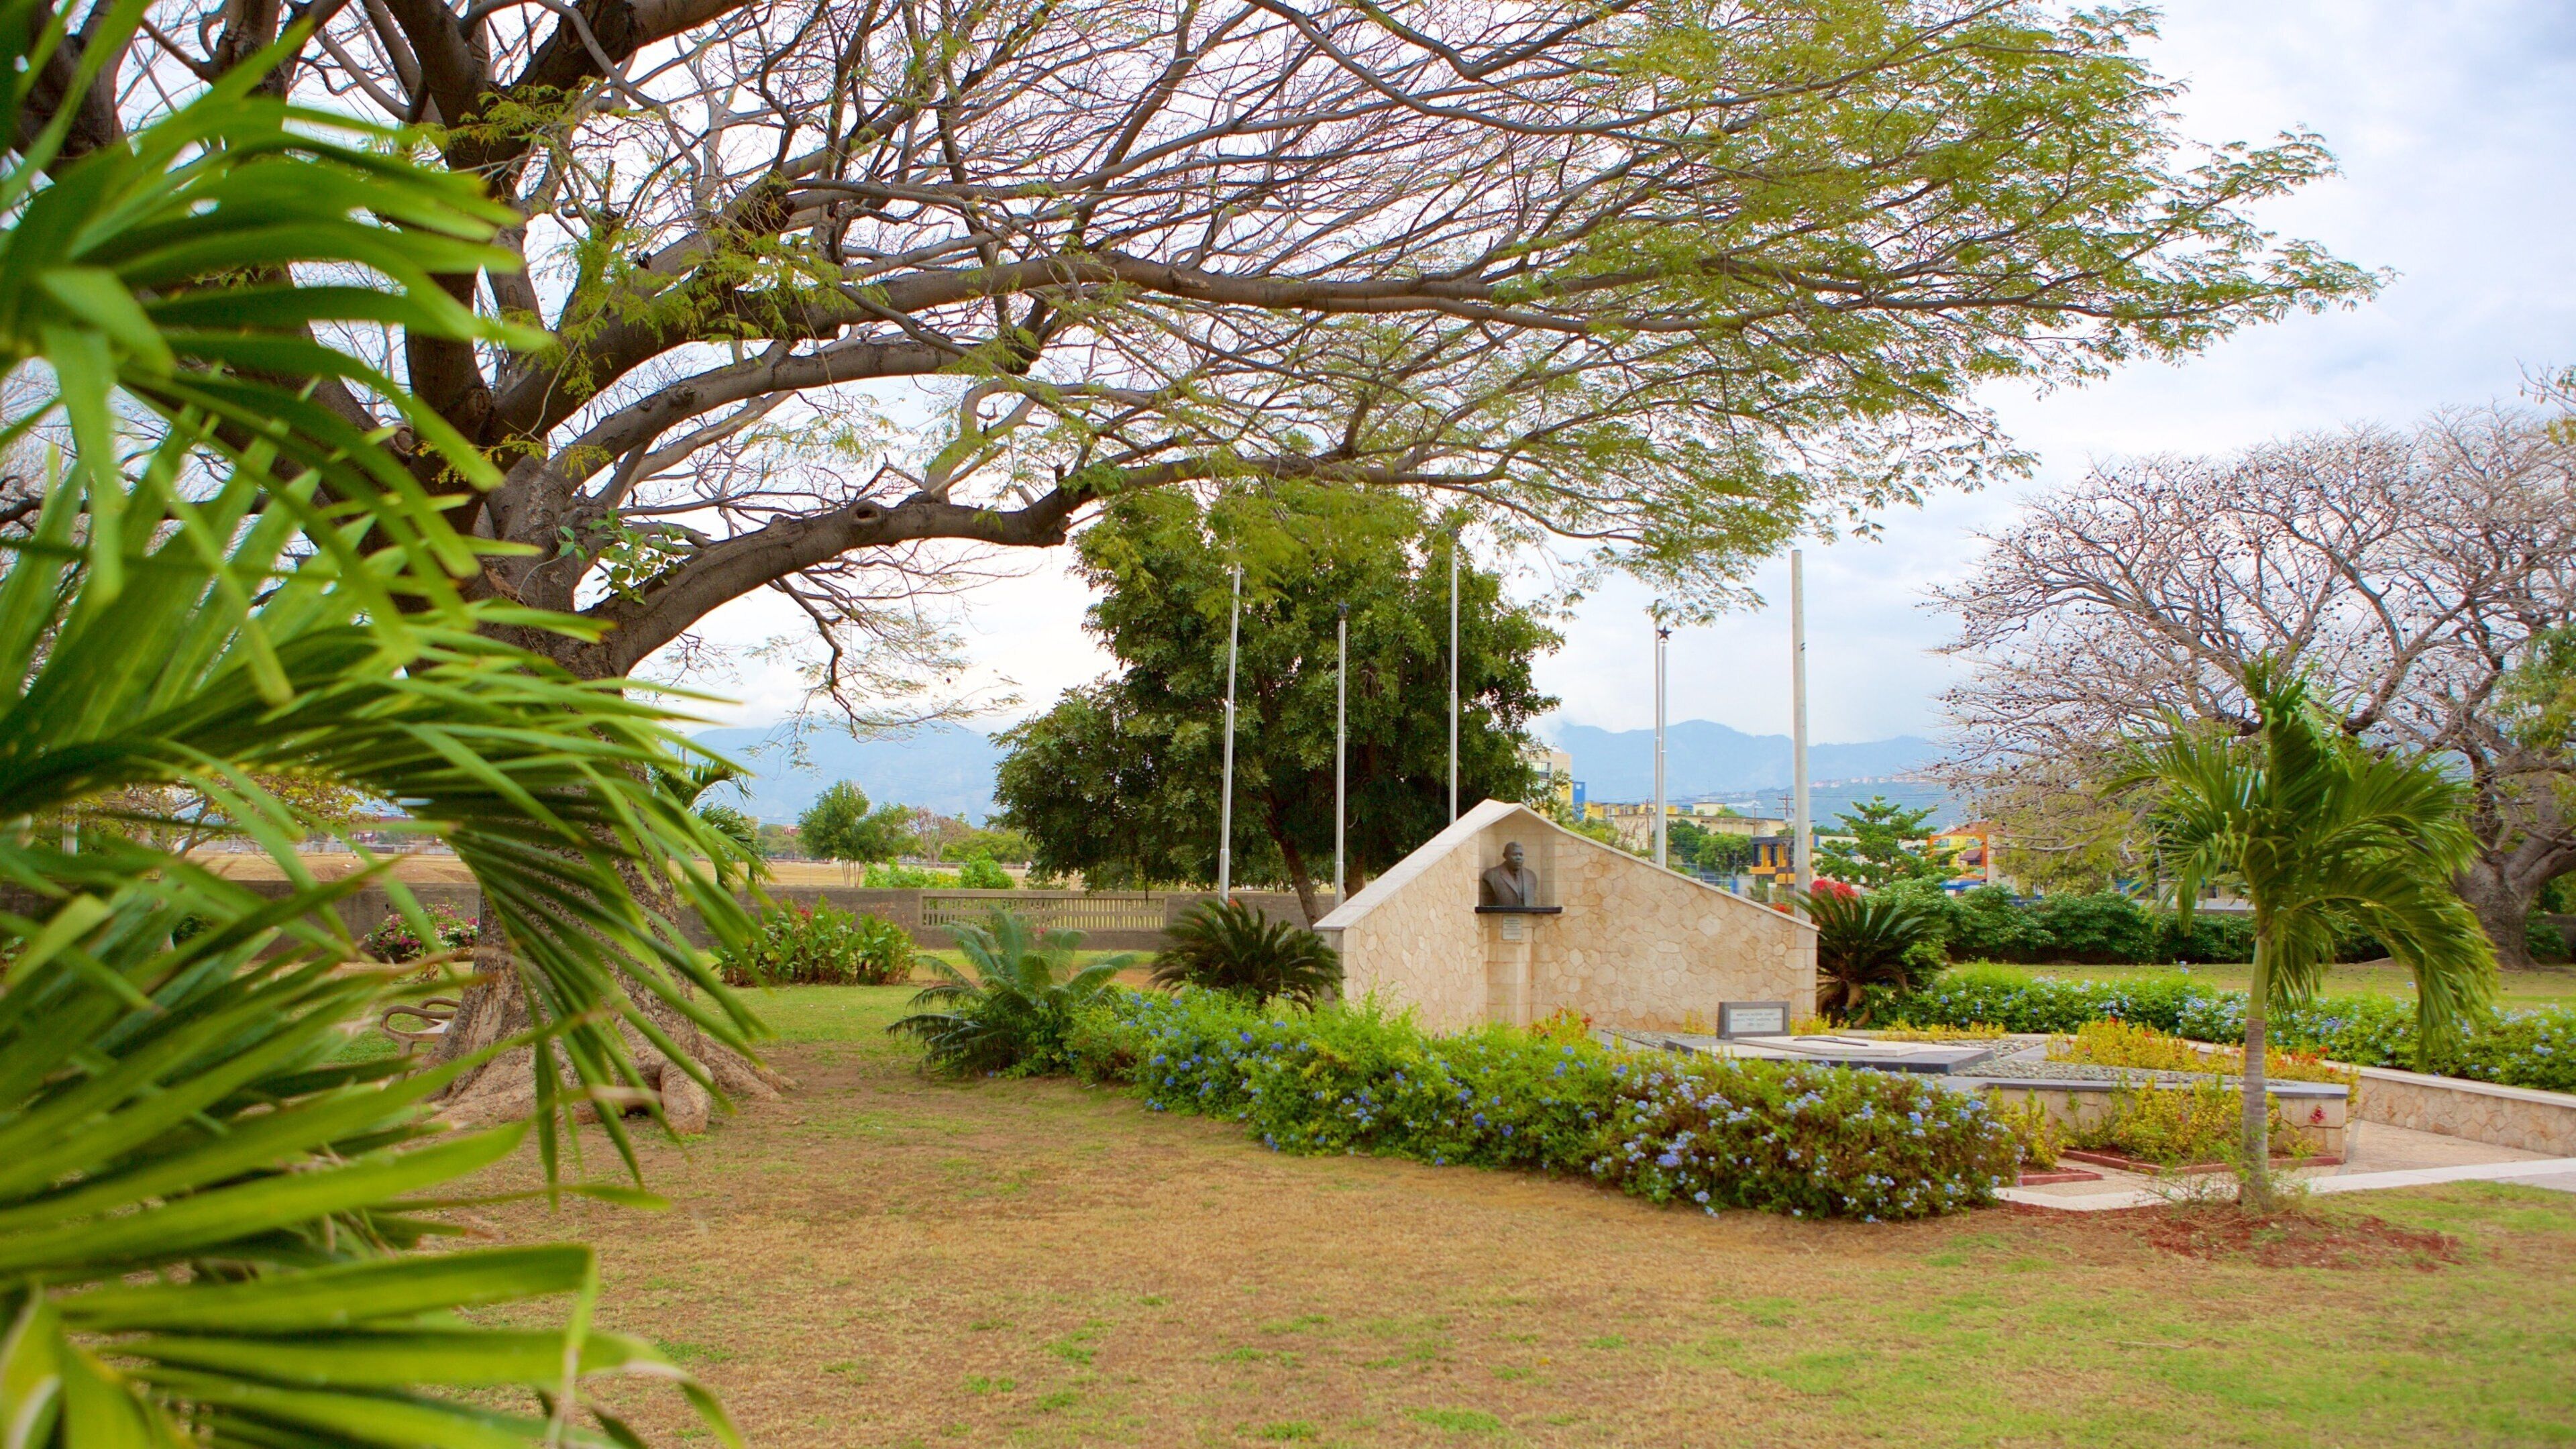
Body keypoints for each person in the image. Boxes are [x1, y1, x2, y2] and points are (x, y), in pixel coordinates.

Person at [1479, 841, 1540, 907]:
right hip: (1501, 916)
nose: (1519, 858)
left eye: (1521, 855)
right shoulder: (1491, 875)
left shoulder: (1531, 876)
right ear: (1505, 856)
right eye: (1514, 855)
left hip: (1527, 916)